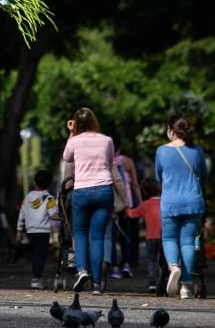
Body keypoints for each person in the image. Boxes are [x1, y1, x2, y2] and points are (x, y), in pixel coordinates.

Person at [62, 107, 126, 295]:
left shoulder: (74, 141)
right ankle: (97, 284)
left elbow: (67, 157)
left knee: (80, 233)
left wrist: (71, 133)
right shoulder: (107, 141)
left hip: (81, 191)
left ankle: (81, 270)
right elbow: (110, 165)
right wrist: (124, 198)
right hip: (103, 190)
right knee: (97, 237)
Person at [156, 116, 207, 299]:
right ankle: (186, 286)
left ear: (170, 129)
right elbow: (203, 175)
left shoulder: (161, 151)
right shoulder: (197, 151)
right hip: (193, 202)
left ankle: (173, 266)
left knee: (169, 238)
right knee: (187, 242)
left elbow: (159, 177)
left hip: (170, 202)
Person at [16, 170, 58, 289]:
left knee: (35, 255)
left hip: (30, 231)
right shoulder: (49, 198)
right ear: (49, 184)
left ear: (34, 182)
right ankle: (36, 278)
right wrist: (64, 217)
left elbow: (22, 214)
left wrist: (19, 231)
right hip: (43, 232)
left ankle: (36, 277)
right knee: (40, 255)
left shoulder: (28, 197)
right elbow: (54, 215)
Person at [110, 149, 142, 280]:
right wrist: (140, 202)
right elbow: (134, 184)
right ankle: (126, 264)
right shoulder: (128, 162)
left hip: (111, 203)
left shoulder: (104, 160)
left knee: (110, 237)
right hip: (126, 203)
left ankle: (114, 268)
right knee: (126, 235)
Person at [126, 176, 162, 292]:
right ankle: (164, 280)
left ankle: (152, 283)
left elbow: (132, 214)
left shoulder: (145, 204)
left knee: (151, 260)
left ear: (145, 191)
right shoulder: (165, 202)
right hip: (165, 237)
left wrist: (126, 209)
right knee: (164, 260)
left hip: (151, 237)